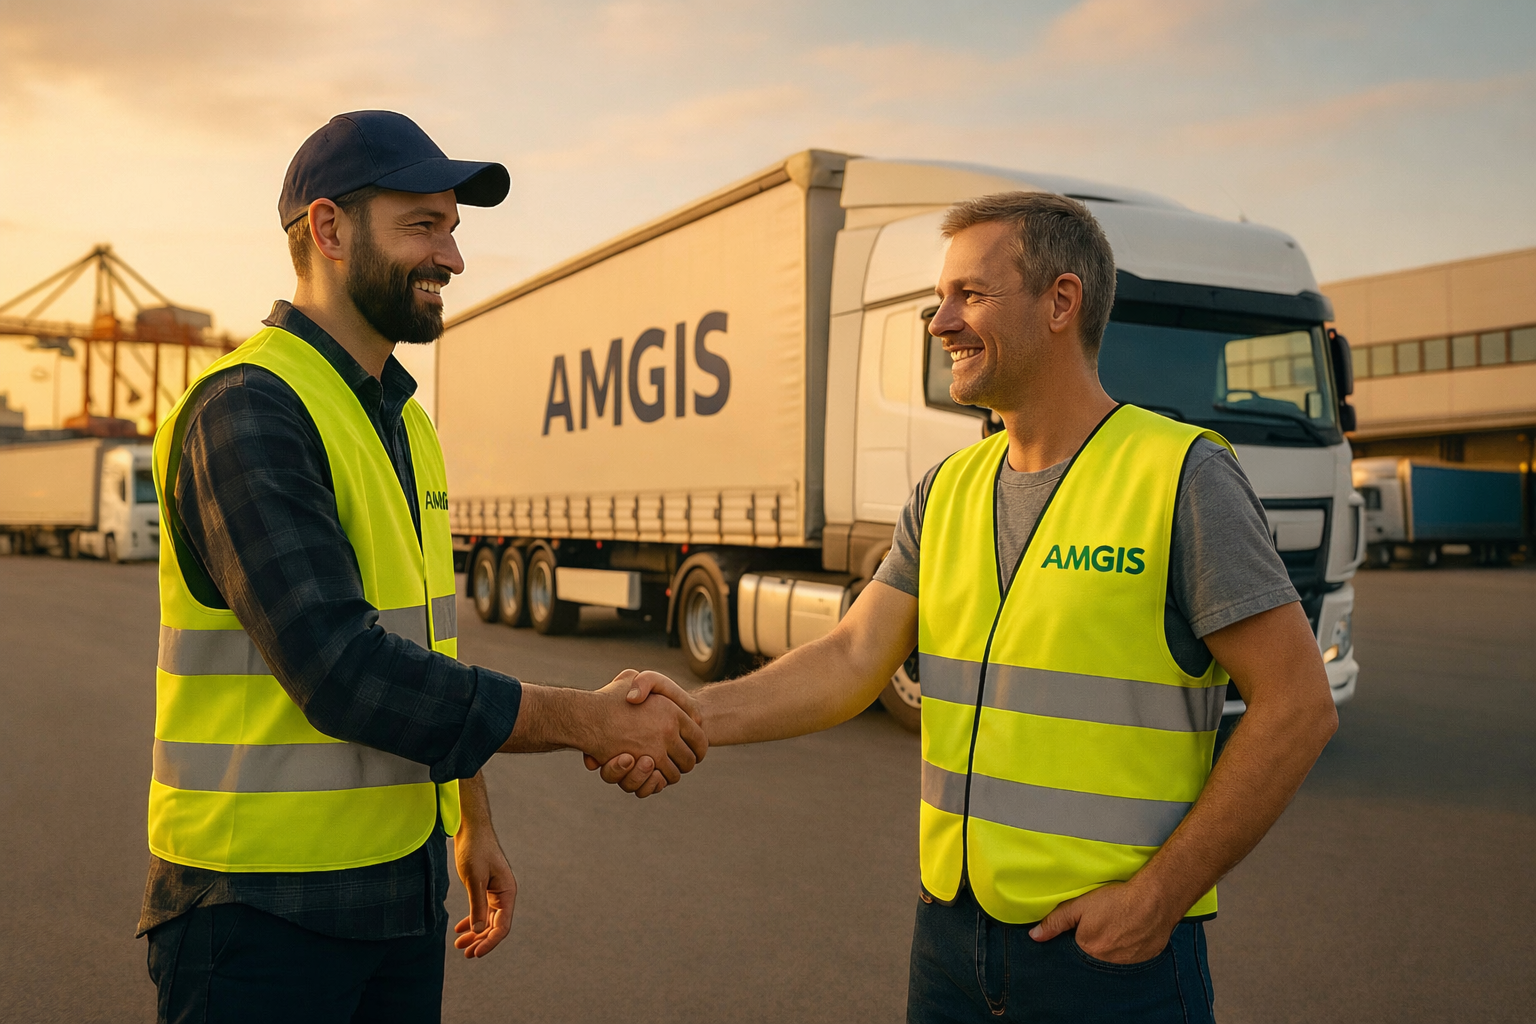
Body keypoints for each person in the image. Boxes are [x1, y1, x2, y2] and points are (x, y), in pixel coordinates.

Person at [606, 192, 1339, 1023]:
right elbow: (852, 659)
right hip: (951, 942)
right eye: (938, 299)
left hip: (1107, 960)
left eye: (969, 295)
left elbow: (1298, 705)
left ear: (1061, 302)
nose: (939, 321)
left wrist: (1159, 899)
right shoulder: (947, 490)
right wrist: (689, 713)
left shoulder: (1182, 474)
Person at [141, 110, 703, 1023]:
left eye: (453, 227)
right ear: (328, 231)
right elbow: (343, 668)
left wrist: (471, 817)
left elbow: (422, 647)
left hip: (396, 896)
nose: (452, 257)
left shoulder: (404, 425)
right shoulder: (249, 409)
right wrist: (587, 721)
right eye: (423, 226)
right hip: (258, 915)